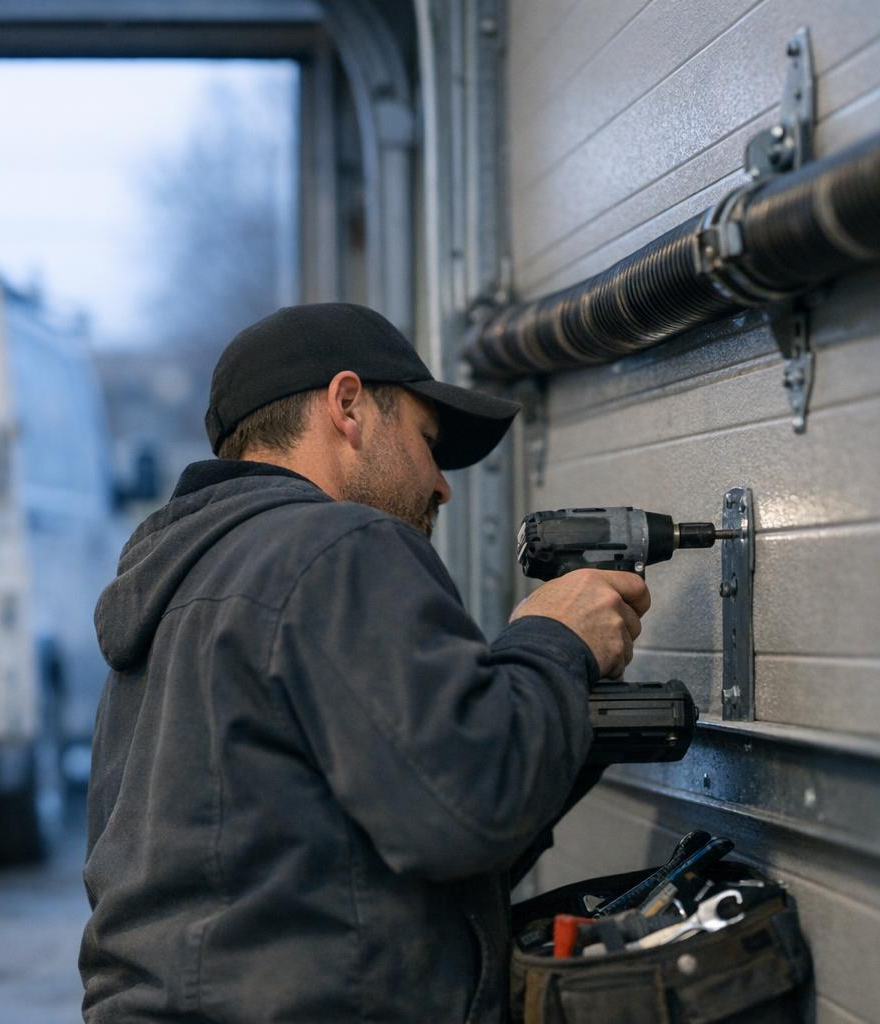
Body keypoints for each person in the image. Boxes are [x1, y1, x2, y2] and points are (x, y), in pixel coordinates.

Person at [80, 303, 650, 1022]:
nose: (441, 485)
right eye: (426, 440)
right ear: (348, 406)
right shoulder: (336, 546)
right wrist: (553, 638)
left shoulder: (171, 592)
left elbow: (365, 833)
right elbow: (463, 808)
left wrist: (558, 707)